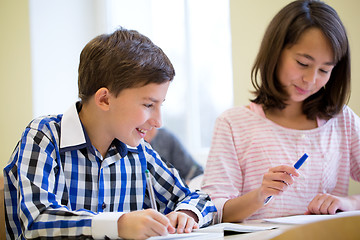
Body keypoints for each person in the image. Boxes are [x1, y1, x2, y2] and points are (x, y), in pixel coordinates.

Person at [4, 27, 216, 240]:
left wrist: (187, 213)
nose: (159, 122)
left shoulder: (139, 152)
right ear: (104, 99)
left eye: (160, 105)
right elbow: (36, 221)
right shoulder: (44, 136)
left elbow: (200, 200)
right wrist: (118, 224)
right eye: (148, 105)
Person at [201, 0, 360, 224]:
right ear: (275, 52)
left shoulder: (343, 121)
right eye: (303, 63)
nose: (311, 80)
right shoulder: (233, 124)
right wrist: (260, 195)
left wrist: (348, 203)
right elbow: (215, 211)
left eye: (324, 70)